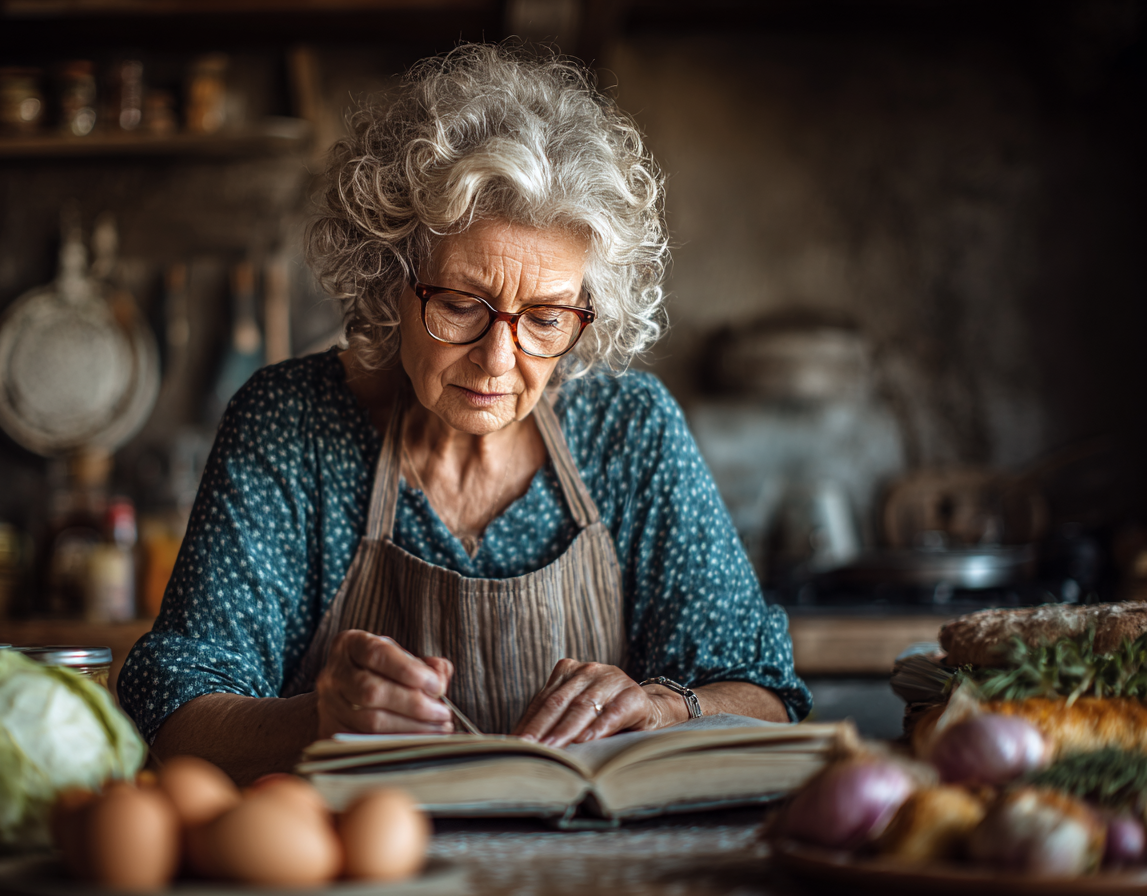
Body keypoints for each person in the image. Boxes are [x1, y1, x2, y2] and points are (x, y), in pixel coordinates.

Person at [118, 44, 811, 784]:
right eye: (459, 304)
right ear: (391, 281)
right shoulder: (293, 423)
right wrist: (317, 721)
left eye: (545, 318)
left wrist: (666, 710)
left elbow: (765, 692)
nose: (497, 360)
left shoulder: (628, 430)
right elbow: (171, 709)